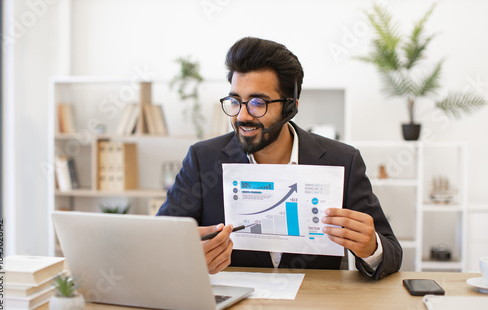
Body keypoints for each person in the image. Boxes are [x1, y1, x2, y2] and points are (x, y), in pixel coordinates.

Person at [157, 37, 402, 279]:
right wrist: (188, 257)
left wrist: (371, 248)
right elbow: (158, 242)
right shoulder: (203, 160)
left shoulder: (342, 160)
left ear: (290, 106)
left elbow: (391, 253)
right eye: (235, 101)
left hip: (315, 309)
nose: (243, 115)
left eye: (257, 103)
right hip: (230, 309)